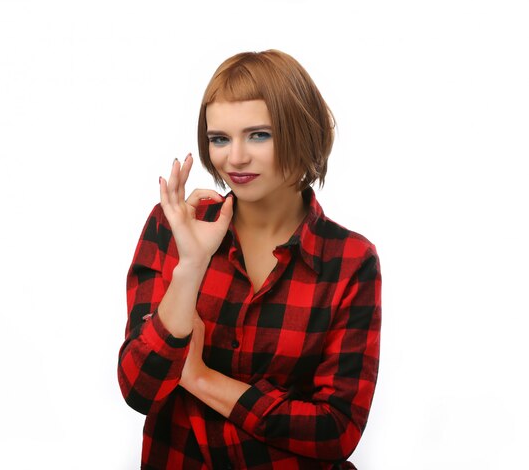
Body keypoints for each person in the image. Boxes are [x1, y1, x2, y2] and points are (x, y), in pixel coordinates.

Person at [118, 49, 381, 469]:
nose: (234, 158)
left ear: (300, 132)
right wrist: (190, 266)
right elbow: (139, 389)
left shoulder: (350, 260)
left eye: (258, 135)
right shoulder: (175, 226)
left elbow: (336, 430)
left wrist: (201, 378)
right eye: (220, 138)